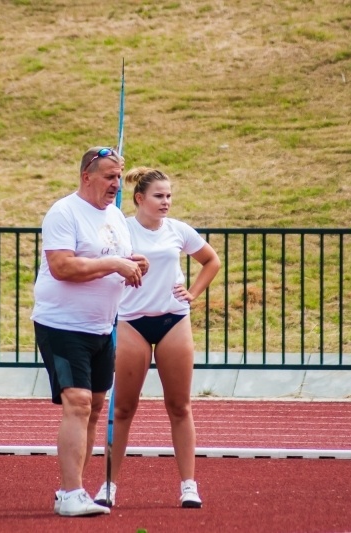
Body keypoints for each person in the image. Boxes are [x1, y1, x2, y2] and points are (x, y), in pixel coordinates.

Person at [31, 147, 149, 517]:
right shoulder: (64, 212)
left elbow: (110, 259)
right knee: (78, 402)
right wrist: (114, 263)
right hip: (62, 324)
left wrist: (131, 264)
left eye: (119, 176)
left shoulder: (114, 215)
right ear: (87, 177)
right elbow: (63, 266)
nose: (117, 184)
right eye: (109, 176)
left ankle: (75, 490)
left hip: (102, 325)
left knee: (96, 408)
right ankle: (70, 493)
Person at [93, 167, 220, 509]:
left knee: (179, 406)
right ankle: (109, 486)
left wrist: (192, 292)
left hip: (173, 320)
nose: (166, 202)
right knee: (122, 408)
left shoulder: (178, 230)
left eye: (169, 196)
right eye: (159, 196)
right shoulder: (122, 230)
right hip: (132, 321)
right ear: (139, 199)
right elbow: (102, 263)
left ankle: (189, 486)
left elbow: (211, 261)